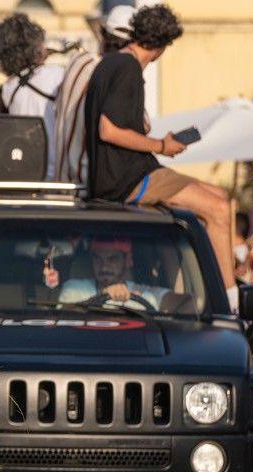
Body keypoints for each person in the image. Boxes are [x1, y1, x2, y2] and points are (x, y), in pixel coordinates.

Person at [84, 4, 236, 300]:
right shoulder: (127, 68)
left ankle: (198, 288)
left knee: (221, 199)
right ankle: (231, 301)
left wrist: (155, 141)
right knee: (218, 210)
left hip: (133, 172)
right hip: (129, 178)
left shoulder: (109, 63)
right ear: (162, 46)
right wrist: (162, 146)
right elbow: (108, 130)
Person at [53, 5, 134, 185]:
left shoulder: (77, 61)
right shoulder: (111, 73)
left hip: (60, 180)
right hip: (85, 184)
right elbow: (141, 125)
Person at [0, 13, 65, 179]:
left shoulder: (8, 88)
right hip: (57, 176)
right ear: (34, 46)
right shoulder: (57, 75)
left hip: (24, 172)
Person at [58, 237, 169, 308]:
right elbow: (64, 315)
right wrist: (100, 297)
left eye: (112, 259)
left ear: (128, 260)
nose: (104, 266)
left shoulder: (146, 294)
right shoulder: (75, 288)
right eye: (98, 258)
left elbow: (185, 304)